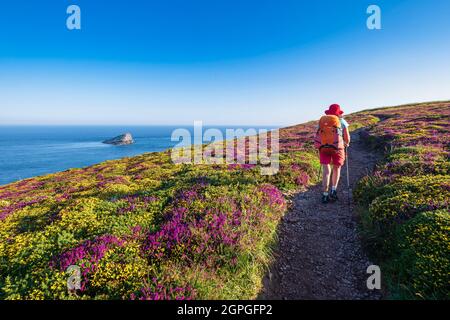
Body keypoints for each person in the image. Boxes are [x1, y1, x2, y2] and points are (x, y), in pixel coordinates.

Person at [317, 104, 350, 203]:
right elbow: (347, 138)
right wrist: (346, 144)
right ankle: (333, 190)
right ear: (338, 113)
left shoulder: (322, 121)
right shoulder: (342, 121)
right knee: (336, 168)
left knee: (326, 170)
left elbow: (318, 135)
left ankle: (325, 194)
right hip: (337, 148)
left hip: (323, 148)